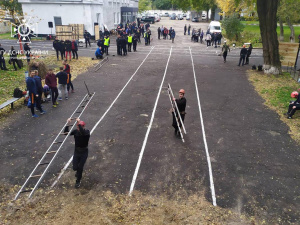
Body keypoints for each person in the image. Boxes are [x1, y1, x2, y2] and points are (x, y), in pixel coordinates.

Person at [64, 118, 90, 188]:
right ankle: (78, 172)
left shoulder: (87, 132)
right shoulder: (76, 131)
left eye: (80, 126)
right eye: (77, 127)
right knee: (75, 168)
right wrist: (68, 124)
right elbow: (66, 133)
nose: (78, 128)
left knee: (80, 167)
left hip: (84, 152)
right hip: (77, 151)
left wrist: (78, 122)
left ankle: (78, 181)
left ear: (84, 126)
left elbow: (82, 132)